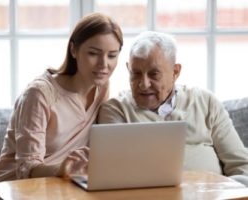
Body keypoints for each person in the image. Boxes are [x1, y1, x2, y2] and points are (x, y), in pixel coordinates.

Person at [0, 12, 123, 200]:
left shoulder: (102, 88)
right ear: (74, 50)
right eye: (93, 53)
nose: (104, 64)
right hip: (9, 192)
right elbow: (26, 169)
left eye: (112, 55)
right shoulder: (39, 95)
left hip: (57, 190)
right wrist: (62, 169)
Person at [97, 31, 248, 186]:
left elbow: (241, 165)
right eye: (136, 74)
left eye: (154, 74)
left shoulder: (206, 102)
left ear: (175, 72)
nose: (144, 84)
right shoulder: (115, 110)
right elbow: (113, 174)